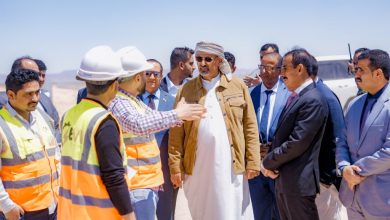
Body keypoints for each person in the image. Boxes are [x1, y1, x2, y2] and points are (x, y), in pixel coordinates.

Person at [109, 46, 206, 220]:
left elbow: (153, 116)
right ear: (136, 77)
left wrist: (178, 113)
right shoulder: (119, 102)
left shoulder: (131, 100)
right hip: (136, 185)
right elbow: (139, 124)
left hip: (146, 184)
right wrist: (177, 114)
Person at [169, 41, 260, 220]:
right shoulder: (186, 90)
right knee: (202, 213)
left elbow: (250, 125)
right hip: (197, 168)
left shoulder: (237, 86)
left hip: (231, 167)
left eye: (208, 59)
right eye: (199, 59)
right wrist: (175, 167)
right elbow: (176, 132)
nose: (202, 63)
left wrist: (253, 161)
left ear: (219, 61)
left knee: (230, 211)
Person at [58, 46, 135, 220]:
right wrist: (129, 215)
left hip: (70, 212)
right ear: (115, 85)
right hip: (98, 214)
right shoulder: (104, 122)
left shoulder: (69, 115)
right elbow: (113, 176)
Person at [262, 48, 329, 220]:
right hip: (287, 183)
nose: (281, 73)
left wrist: (268, 162)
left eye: (284, 68)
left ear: (299, 69)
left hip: (298, 185)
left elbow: (296, 143)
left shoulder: (312, 99)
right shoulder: (299, 97)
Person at [336, 49, 390, 219]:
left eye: (361, 70)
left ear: (378, 73)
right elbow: (341, 141)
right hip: (353, 198)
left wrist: (356, 172)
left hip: (382, 200)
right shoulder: (354, 104)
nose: (356, 74)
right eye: (355, 69)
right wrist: (344, 168)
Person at [0, 68, 60, 220]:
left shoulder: (42, 117)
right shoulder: (2, 125)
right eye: (28, 94)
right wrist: (7, 207)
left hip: (52, 206)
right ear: (11, 95)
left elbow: (55, 156)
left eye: (37, 92)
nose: (35, 98)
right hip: (21, 213)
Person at [249, 52, 289, 220]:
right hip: (256, 170)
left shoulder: (290, 94)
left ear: (280, 70)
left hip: (280, 167)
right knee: (261, 213)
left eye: (269, 67)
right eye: (261, 67)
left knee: (283, 213)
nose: (263, 71)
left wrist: (274, 150)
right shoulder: (251, 94)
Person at [310, 55, 348, 220]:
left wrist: (328, 177)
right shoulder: (315, 93)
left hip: (325, 180)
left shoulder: (324, 96)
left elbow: (336, 138)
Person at [140, 59, 178, 220]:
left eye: (155, 74)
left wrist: (176, 169)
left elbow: (177, 138)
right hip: (138, 173)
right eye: (147, 73)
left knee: (166, 215)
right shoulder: (132, 101)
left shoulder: (171, 101)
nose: (151, 77)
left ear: (161, 76)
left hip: (165, 173)